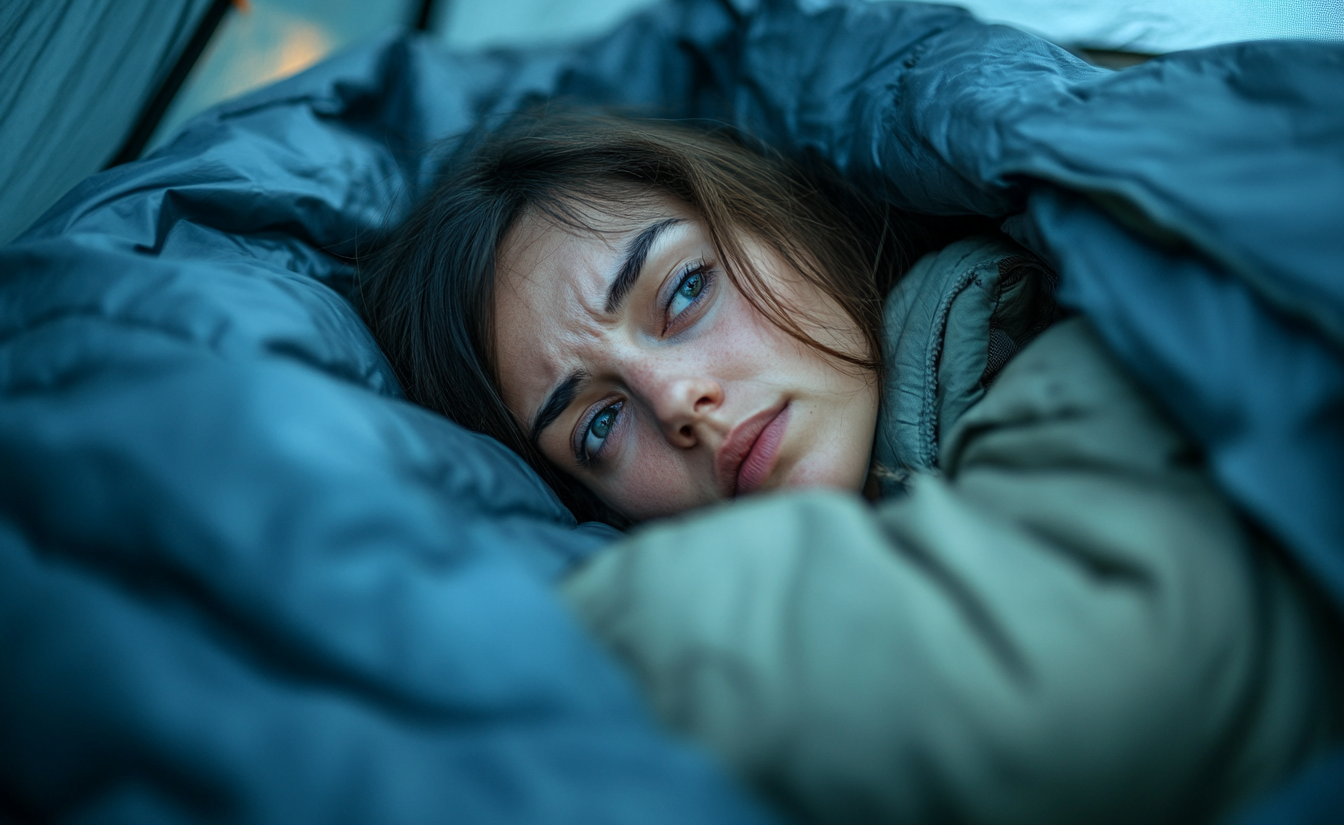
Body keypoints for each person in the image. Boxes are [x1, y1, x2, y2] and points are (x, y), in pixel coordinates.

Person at [359, 110, 1344, 825]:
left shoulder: (1051, 334)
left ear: (780, 212)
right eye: (599, 426)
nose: (678, 403)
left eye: (686, 289)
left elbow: (1060, 703)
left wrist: (542, 624)